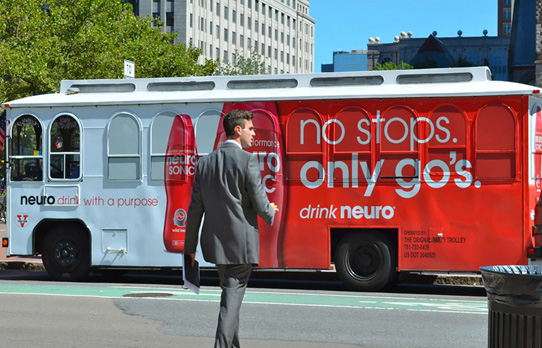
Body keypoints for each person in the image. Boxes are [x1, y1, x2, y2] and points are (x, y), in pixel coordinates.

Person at [185, 109, 278, 348]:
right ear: (238, 130)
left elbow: (195, 209)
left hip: (215, 246)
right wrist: (271, 211)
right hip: (241, 245)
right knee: (230, 300)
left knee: (230, 298)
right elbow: (259, 202)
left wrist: (190, 248)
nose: (254, 133)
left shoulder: (204, 163)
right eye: (250, 128)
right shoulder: (248, 160)